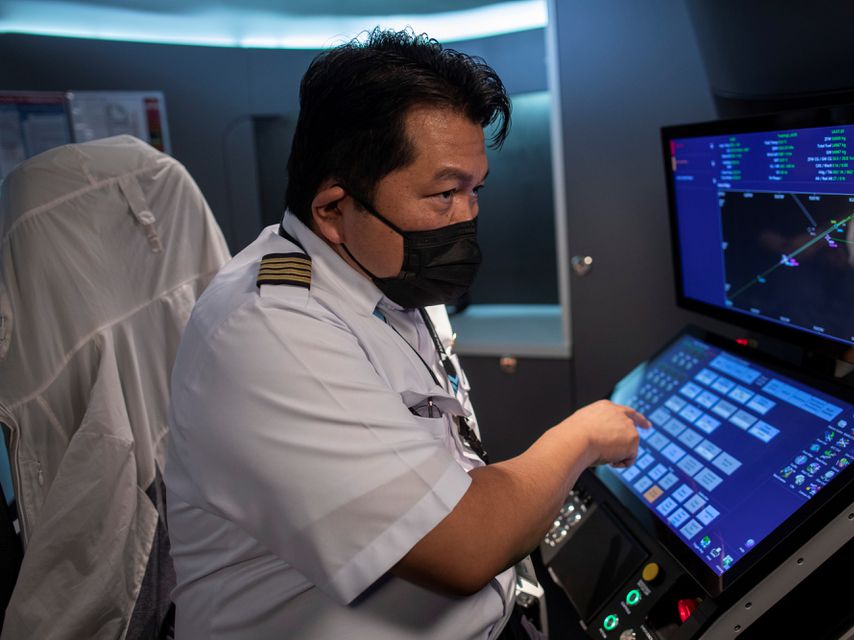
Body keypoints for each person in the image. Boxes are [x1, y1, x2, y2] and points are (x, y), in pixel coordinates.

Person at [164, 28, 647, 640]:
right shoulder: (269, 334)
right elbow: (465, 546)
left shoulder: (383, 276)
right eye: (444, 193)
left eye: (476, 191)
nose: (467, 218)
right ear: (334, 210)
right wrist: (582, 436)